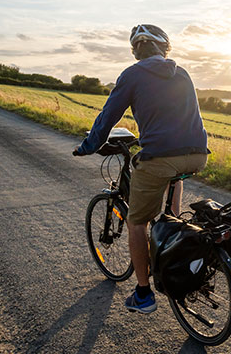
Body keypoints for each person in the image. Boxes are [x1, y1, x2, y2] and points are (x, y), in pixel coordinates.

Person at [73, 24, 208, 313]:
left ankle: (144, 294)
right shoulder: (182, 73)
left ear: (136, 51)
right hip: (197, 154)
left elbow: (108, 116)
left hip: (161, 157)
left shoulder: (132, 75)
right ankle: (172, 223)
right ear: (165, 49)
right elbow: (192, 116)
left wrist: (88, 146)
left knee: (137, 222)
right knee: (171, 172)